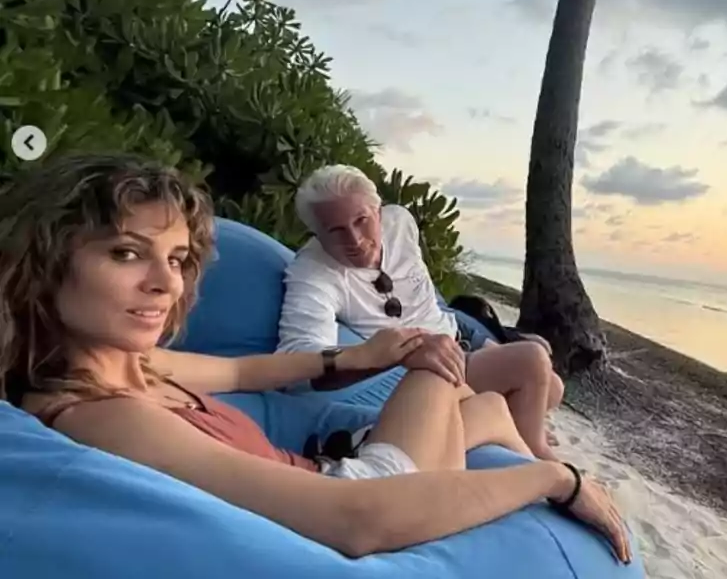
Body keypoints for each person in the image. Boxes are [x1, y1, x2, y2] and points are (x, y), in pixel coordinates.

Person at [0, 153, 630, 562]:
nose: (165, 284)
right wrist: (557, 481)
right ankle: (542, 468)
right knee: (436, 367)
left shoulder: (135, 367)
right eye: (126, 253)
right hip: (358, 493)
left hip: (332, 466)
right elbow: (352, 521)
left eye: (176, 259)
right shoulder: (105, 414)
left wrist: (359, 355)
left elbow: (244, 371)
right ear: (46, 262)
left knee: (487, 398)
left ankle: (511, 441)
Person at [277, 165, 564, 460]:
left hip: (456, 335)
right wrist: (387, 355)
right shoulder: (313, 274)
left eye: (361, 220)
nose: (355, 240)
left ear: (378, 211)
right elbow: (295, 364)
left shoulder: (400, 222)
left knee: (553, 388)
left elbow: (426, 297)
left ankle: (505, 423)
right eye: (336, 230)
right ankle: (534, 454)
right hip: (421, 369)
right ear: (316, 234)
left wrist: (480, 340)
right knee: (531, 360)